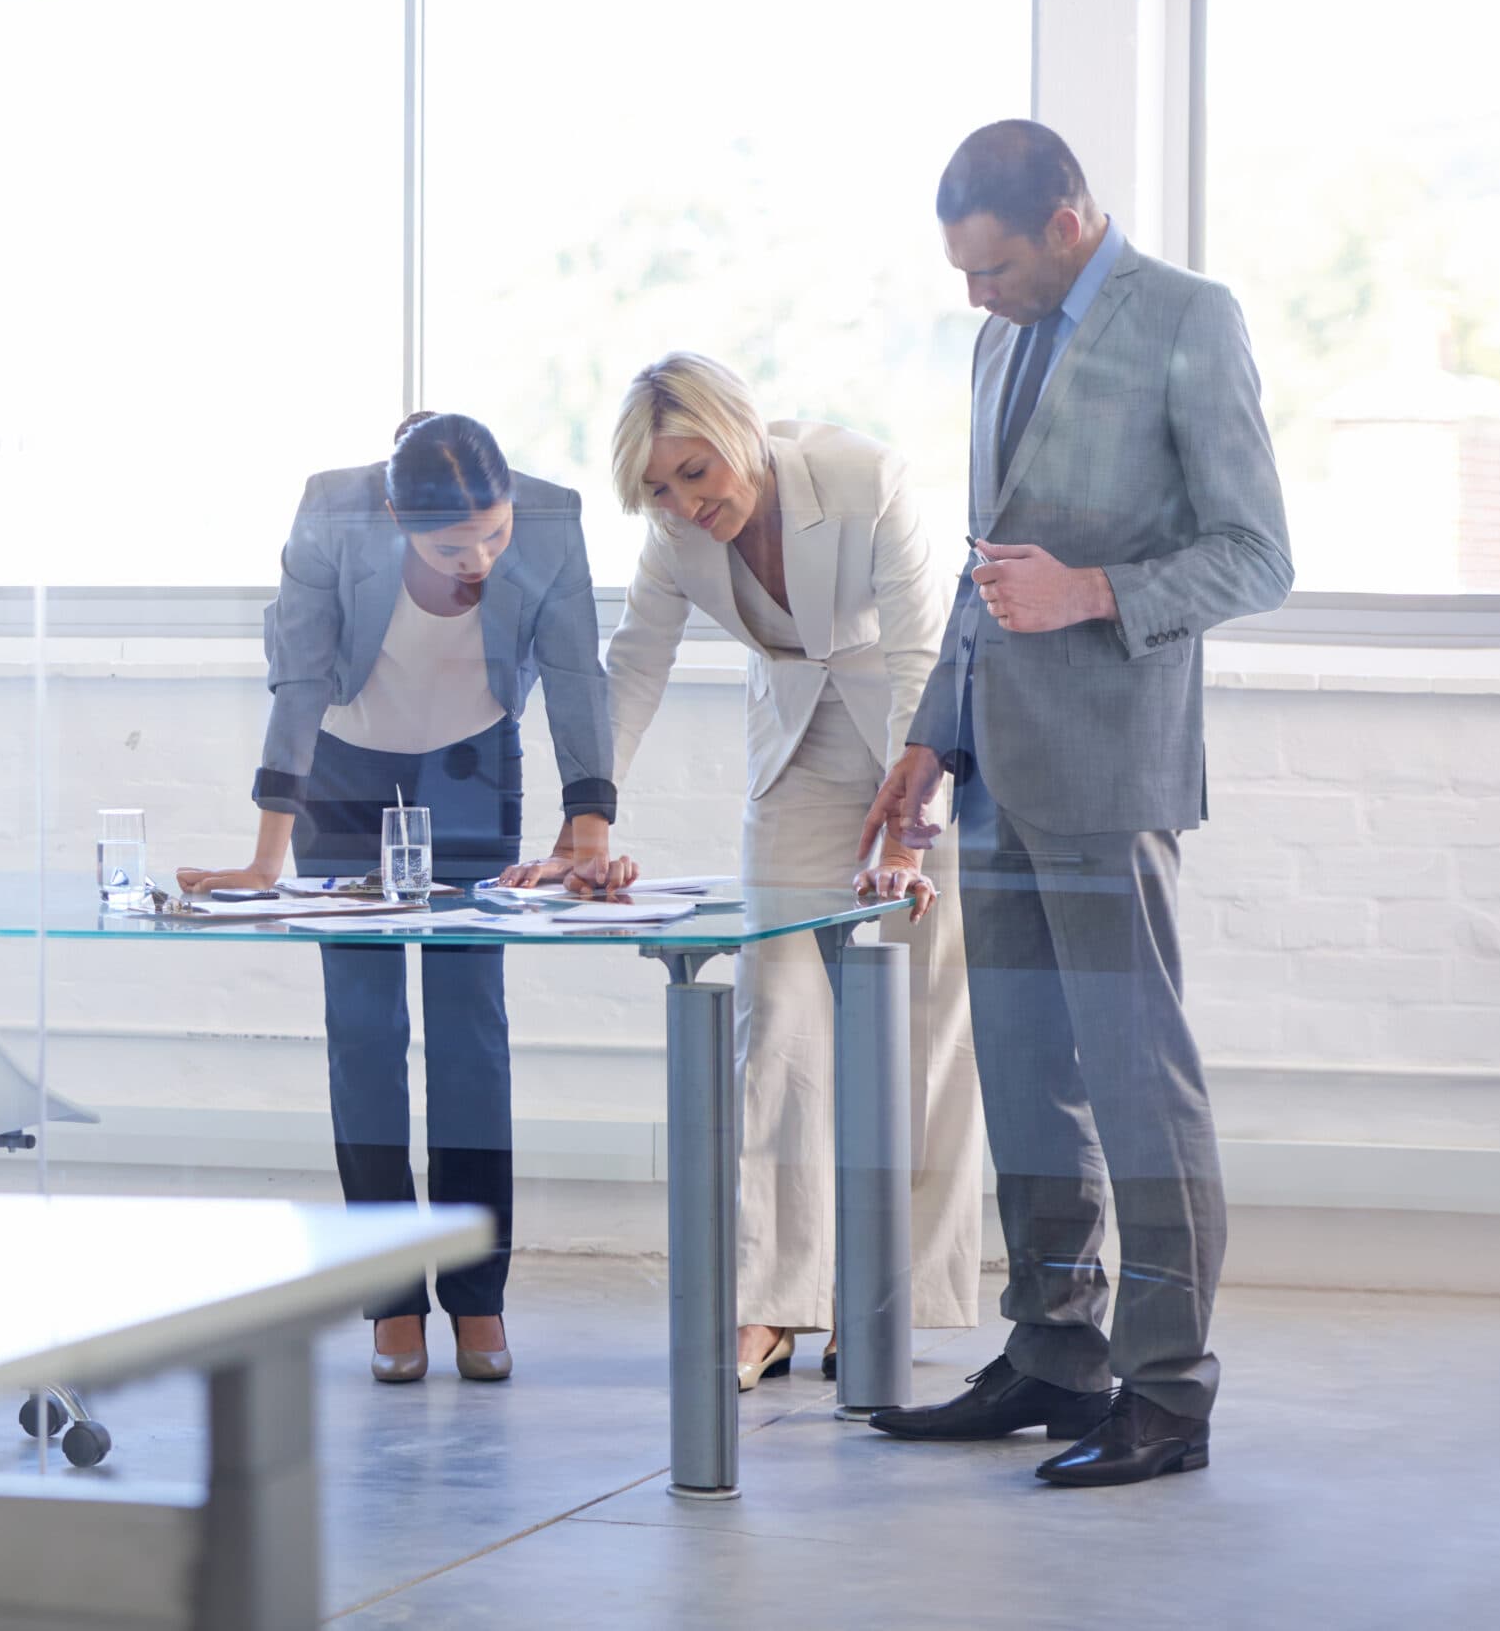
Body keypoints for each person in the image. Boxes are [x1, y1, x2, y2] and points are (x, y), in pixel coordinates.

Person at [859, 120, 1291, 1487]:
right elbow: (993, 573)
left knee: (1135, 1089)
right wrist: (931, 741)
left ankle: (1167, 1388)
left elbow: (1257, 554)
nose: (973, 299)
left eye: (991, 270)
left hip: (1111, 773)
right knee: (1031, 1089)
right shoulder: (997, 343)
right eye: (961, 276)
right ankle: (1055, 1352)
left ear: (1066, 221)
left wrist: (1098, 591)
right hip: (995, 773)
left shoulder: (1188, 322)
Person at [509, 352, 983, 1391]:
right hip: (800, 753)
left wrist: (907, 829)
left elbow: (916, 653)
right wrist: (583, 825)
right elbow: (634, 660)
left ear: (740, 433)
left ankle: (887, 1301)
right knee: (775, 1016)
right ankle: (769, 1302)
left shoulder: (864, 479)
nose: (684, 502)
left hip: (920, 742)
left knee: (923, 1023)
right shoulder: (675, 535)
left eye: (695, 472)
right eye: (660, 487)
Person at [178, 412, 623, 1385]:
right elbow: (296, 681)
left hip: (470, 767)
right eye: (450, 543)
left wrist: (588, 820)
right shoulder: (330, 515)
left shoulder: (551, 520)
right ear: (393, 514)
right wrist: (264, 855)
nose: (478, 559)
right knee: (365, 1030)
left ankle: (476, 1296)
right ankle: (389, 1298)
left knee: (469, 1029)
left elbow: (576, 671)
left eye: (493, 535)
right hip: (343, 772)